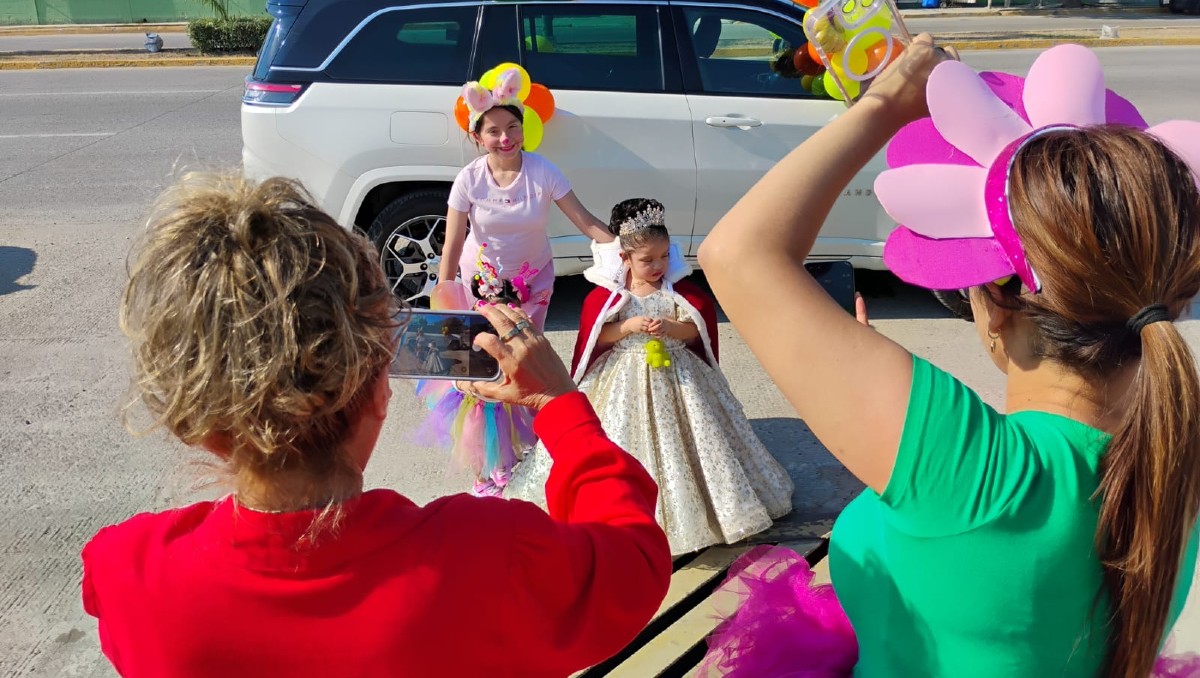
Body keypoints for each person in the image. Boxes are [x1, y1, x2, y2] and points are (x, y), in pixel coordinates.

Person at [696, 39, 1200, 676]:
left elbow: (737, 255)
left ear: (995, 304)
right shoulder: (1168, 457)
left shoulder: (981, 474)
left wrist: (885, 102)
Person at [80, 172, 672, 677]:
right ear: (378, 392)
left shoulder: (127, 570)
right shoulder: (492, 556)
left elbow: (101, 590)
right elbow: (634, 564)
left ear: (195, 424)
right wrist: (558, 401)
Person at [506, 198, 794, 556]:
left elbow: (696, 331)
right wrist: (626, 326)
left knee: (699, 440)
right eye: (647, 260)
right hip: (623, 376)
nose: (657, 266)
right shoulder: (611, 296)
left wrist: (673, 327)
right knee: (618, 434)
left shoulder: (678, 292)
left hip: (680, 377)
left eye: (662, 256)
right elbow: (597, 336)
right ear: (625, 259)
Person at [441, 67, 613, 331]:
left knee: (527, 354)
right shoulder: (469, 178)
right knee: (484, 354)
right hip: (482, 282)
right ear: (478, 137)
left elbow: (586, 222)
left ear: (523, 127)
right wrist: (444, 300)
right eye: (493, 131)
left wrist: (626, 252)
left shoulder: (543, 171)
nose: (506, 138)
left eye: (513, 127)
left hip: (533, 281)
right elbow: (452, 245)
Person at [414, 245, 539, 497]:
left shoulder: (511, 342)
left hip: (502, 403)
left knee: (505, 437)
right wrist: (468, 386)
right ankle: (482, 480)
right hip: (476, 406)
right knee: (478, 446)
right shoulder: (470, 342)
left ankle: (504, 467)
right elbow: (456, 375)